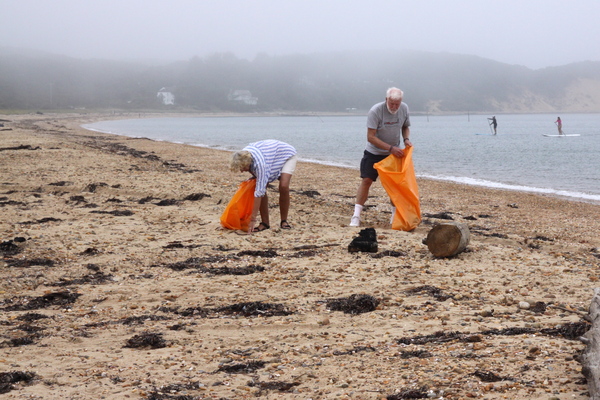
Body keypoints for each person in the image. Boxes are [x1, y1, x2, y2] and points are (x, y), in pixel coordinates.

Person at [349, 87, 412, 227]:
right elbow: (370, 137)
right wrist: (390, 148)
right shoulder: (376, 111)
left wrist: (406, 139)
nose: (395, 107)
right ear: (386, 100)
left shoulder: (404, 108)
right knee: (366, 180)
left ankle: (395, 216)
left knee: (394, 185)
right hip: (374, 152)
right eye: (392, 103)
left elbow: (405, 126)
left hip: (393, 154)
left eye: (397, 104)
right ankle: (356, 216)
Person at [230, 140, 297, 234]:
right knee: (262, 186)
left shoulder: (260, 164)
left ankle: (284, 221)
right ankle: (265, 223)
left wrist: (253, 219)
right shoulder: (242, 155)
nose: (242, 171)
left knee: (283, 186)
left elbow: (259, 192)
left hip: (287, 154)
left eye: (243, 168)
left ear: (247, 164)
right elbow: (261, 188)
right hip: (270, 156)